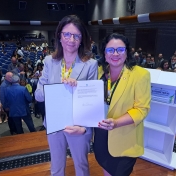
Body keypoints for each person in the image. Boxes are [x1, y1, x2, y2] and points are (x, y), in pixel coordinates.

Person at [35, 15, 98, 176]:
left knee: (81, 166)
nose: (71, 39)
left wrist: (77, 89)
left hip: (78, 125)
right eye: (67, 34)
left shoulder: (90, 64)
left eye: (76, 35)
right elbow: (38, 95)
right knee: (56, 166)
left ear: (81, 39)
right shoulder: (50, 61)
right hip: (55, 123)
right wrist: (57, 89)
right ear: (59, 36)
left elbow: (92, 100)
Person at [93, 33, 151, 176]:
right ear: (104, 53)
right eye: (110, 50)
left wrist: (116, 123)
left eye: (120, 49)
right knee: (106, 170)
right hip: (101, 135)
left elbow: (141, 109)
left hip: (125, 138)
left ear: (127, 52)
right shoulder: (99, 71)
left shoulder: (140, 74)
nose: (115, 54)